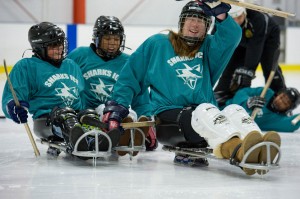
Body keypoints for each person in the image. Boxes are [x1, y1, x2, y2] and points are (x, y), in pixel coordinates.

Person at [101, 0, 281, 175]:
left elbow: (232, 36)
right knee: (205, 110)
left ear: (207, 26)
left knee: (235, 109)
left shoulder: (208, 48)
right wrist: (118, 105)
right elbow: (130, 76)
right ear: (182, 21)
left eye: (201, 21)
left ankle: (259, 146)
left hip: (206, 118)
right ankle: (239, 150)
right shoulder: (158, 44)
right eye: (191, 19)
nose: (195, 25)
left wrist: (220, 13)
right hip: (169, 119)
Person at [1, 22, 117, 157]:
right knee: (65, 116)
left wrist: (87, 112)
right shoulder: (26, 66)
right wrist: (14, 107)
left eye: (60, 44)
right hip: (46, 120)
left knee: (89, 114)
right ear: (39, 48)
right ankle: (79, 140)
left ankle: (96, 139)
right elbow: (12, 95)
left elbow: (80, 96)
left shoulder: (71, 65)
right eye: (53, 45)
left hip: (76, 115)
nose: (59, 49)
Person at [67, 15, 157, 155]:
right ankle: (124, 134)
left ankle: (133, 132)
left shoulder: (128, 61)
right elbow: (66, 81)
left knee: (127, 113)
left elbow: (139, 93)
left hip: (117, 109)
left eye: (116, 39)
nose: (112, 43)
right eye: (108, 39)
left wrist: (146, 116)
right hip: (88, 113)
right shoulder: (79, 55)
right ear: (97, 38)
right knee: (106, 110)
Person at [214, 2, 287, 107]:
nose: (237, 21)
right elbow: (216, 38)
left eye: (239, 17)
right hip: (242, 39)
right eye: (233, 18)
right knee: (231, 65)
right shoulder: (222, 17)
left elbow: (255, 47)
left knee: (268, 67)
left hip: (267, 37)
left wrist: (248, 70)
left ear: (244, 13)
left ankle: (280, 95)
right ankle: (223, 93)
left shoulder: (258, 18)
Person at [225, 86, 300, 132]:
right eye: (281, 97)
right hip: (225, 110)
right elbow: (242, 92)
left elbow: (292, 124)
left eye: (285, 103)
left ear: (288, 109)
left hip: (230, 127)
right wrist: (247, 102)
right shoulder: (266, 92)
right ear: (279, 94)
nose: (280, 101)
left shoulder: (278, 119)